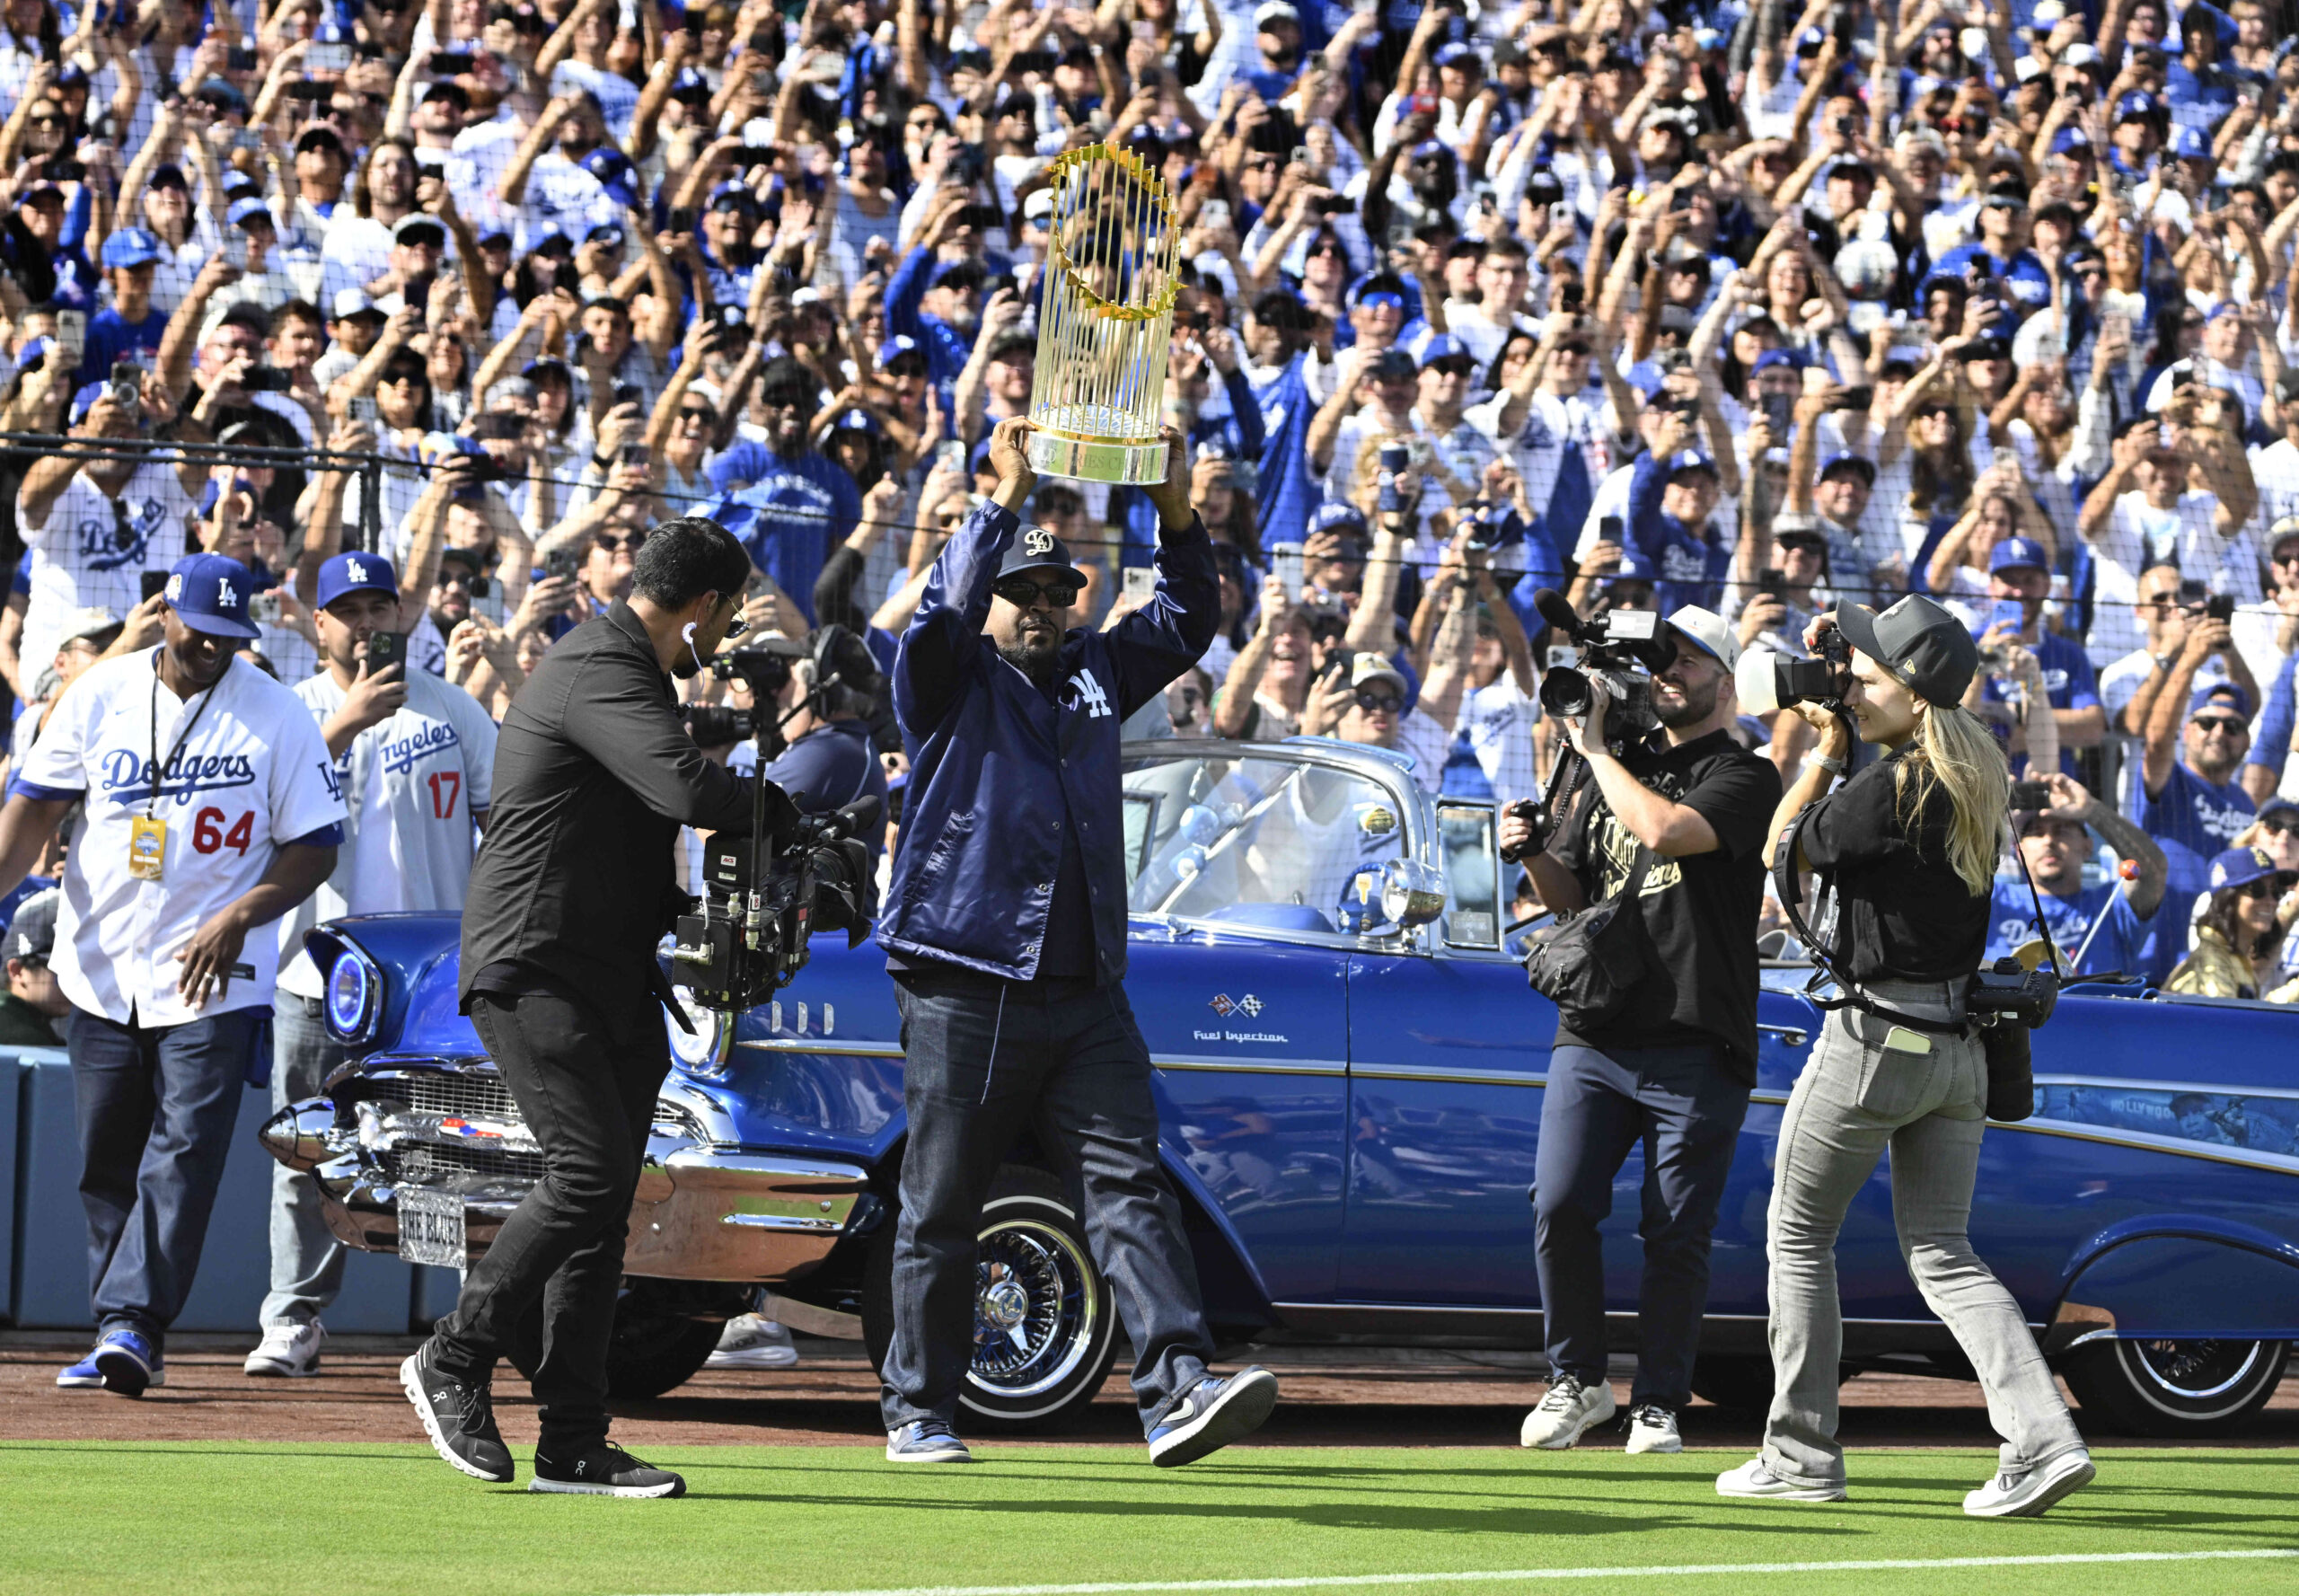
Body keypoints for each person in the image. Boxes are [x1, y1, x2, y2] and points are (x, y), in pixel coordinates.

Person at [877, 416, 1280, 1468]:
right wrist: (1000, 500)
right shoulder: (947, 675)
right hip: (966, 976)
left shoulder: (1098, 672)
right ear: (992, 600)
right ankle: (917, 1406)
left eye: (1060, 594)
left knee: (1130, 1183)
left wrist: (1176, 504)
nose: (1046, 609)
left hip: (1087, 987)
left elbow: (1189, 617)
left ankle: (1176, 1386)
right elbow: (934, 619)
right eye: (1025, 593)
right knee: (944, 1199)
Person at [401, 516, 795, 1500]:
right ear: (701, 606)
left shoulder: (633, 675)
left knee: (604, 1204)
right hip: (536, 966)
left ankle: (574, 1440)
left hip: (607, 973)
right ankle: (453, 1353)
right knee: (589, 1173)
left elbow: (680, 760)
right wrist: (778, 805)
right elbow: (682, 784)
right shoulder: (598, 663)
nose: (729, 636)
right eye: (727, 615)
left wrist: (763, 716)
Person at [1721, 594, 2093, 1517]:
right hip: (1958, 1048)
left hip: (1873, 1042)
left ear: (1916, 696)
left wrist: (1819, 753)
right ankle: (2043, 1438)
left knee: (1798, 1235)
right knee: (1943, 1250)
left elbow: (1780, 853)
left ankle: (1800, 1451)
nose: (1850, 680)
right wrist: (1851, 718)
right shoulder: (1973, 775)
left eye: (1870, 672)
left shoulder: (1894, 785)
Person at [0, 554, 344, 1398]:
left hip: (216, 974)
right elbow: (36, 808)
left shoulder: (276, 713)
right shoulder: (101, 692)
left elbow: (315, 844)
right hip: (99, 962)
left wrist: (242, 914)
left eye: (233, 637)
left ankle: (133, 1324)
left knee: (184, 1149)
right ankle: (120, 1322)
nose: (215, 649)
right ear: (166, 616)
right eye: (202, 633)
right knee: (108, 1154)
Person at [1506, 606, 1783, 1456]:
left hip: (1698, 1033)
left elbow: (1667, 831)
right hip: (1598, 1029)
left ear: (1727, 679)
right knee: (1558, 1202)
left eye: (1687, 659)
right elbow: (1571, 901)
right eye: (1659, 661)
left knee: (1674, 1231)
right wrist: (1531, 850)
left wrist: (1590, 750)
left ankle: (1658, 1400)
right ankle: (1577, 1381)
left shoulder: (1746, 774)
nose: (1668, 673)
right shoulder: (1613, 767)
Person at [249, 551, 499, 1380]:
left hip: (430, 986)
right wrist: (343, 724)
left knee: (446, 1156)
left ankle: (461, 1323)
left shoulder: (451, 707)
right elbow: (256, 815)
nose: (366, 624)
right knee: (306, 1153)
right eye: (347, 610)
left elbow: (507, 823)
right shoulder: (291, 712)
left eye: (379, 608)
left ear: (403, 617)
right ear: (317, 624)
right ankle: (293, 1316)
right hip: (316, 977)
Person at [1984, 774, 2169, 979]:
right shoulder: (1991, 899)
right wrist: (1984, 807)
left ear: (2088, 847)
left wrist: (2091, 809)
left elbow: (2153, 869)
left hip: (2095, 1010)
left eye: (2061, 831)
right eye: (2036, 833)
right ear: (2018, 852)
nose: (2049, 841)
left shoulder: (2111, 903)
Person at [2164, 846, 2299, 1001]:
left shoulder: (2232, 957)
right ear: (2228, 899)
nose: (2271, 901)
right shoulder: (2212, 965)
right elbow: (2240, 1023)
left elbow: (2252, 1012)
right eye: (2257, 890)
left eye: (2277, 892)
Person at [0, 886, 68, 1045]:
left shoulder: (31, 1020)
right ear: (17, 971)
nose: (76, 981)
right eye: (61, 971)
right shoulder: (22, 1036)